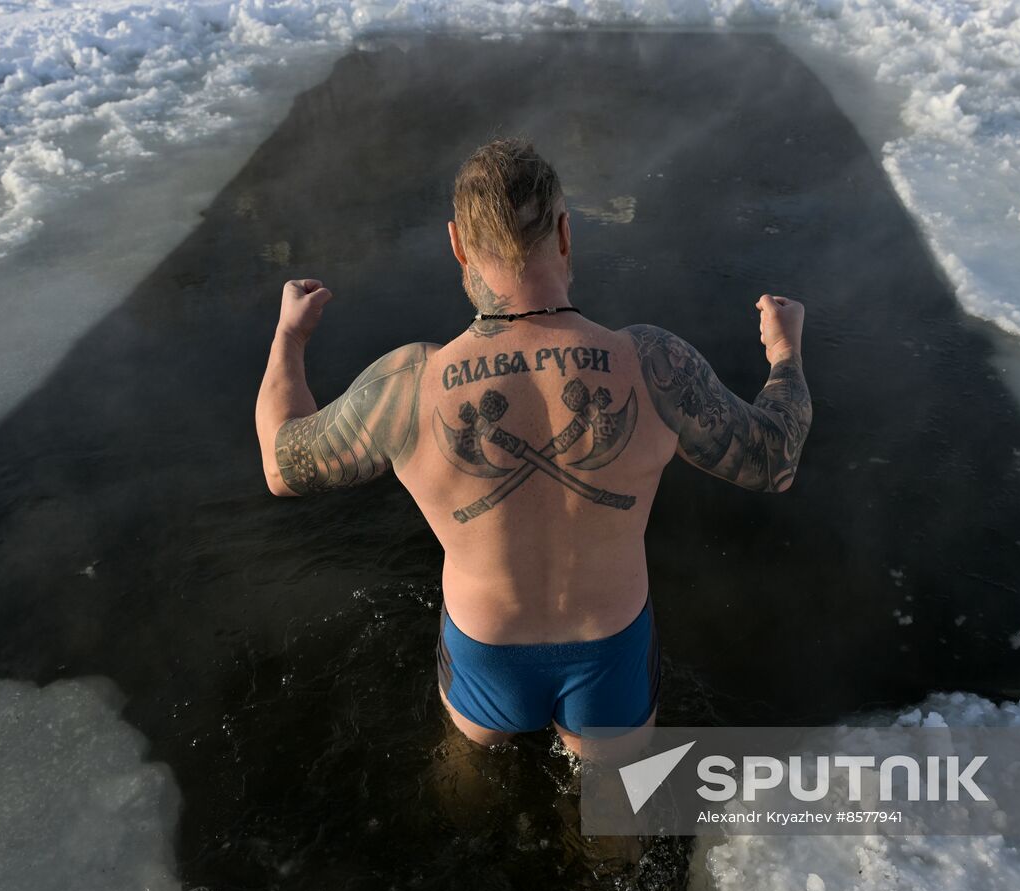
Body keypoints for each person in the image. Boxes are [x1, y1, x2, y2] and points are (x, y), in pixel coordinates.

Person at [255, 137, 812, 755]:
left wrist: (290, 337)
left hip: (486, 650)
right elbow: (774, 460)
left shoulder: (411, 385)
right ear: (567, 233)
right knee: (617, 825)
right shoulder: (650, 362)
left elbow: (283, 464)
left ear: (458, 245)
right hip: (611, 645)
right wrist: (783, 352)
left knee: (469, 793)